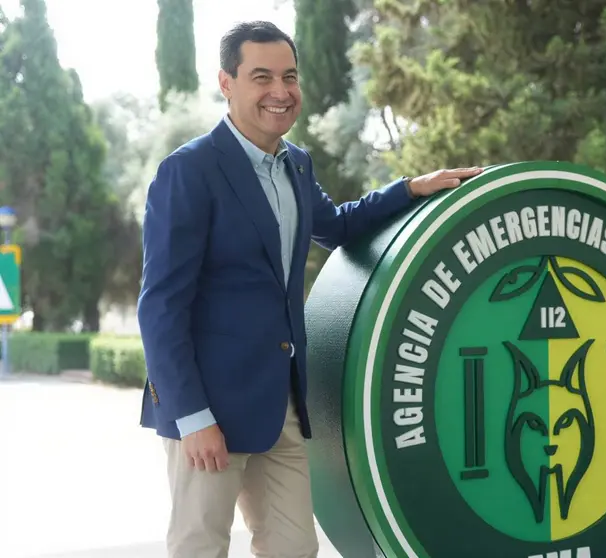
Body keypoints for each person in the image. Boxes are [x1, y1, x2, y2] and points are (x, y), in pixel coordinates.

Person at [136, 20, 481, 558]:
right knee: (200, 547)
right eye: (261, 77)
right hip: (208, 413)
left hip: (280, 405)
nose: (281, 91)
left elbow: (336, 226)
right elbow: (160, 306)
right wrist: (192, 417)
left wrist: (410, 189)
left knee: (295, 549)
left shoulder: (295, 164)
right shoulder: (189, 172)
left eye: (289, 76)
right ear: (226, 83)